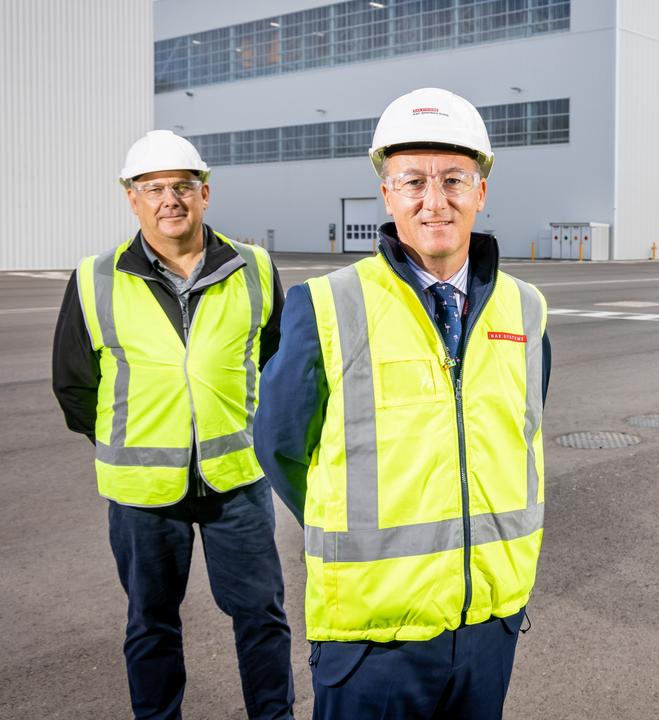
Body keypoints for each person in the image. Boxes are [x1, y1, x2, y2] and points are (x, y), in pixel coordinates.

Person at [254, 88, 551, 719]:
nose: (434, 200)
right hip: (371, 637)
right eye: (412, 180)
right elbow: (281, 445)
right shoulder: (327, 305)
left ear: (481, 190)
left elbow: (521, 433)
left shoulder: (526, 310)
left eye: (453, 179)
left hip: (488, 626)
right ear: (386, 194)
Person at [51, 130, 293, 719]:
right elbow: (75, 385)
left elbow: (276, 361)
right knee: (151, 624)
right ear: (132, 199)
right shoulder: (96, 279)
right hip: (142, 493)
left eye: (182, 187)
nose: (169, 200)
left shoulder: (253, 268)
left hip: (236, 481)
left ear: (205, 194)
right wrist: (134, 441)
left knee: (261, 617)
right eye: (153, 188)